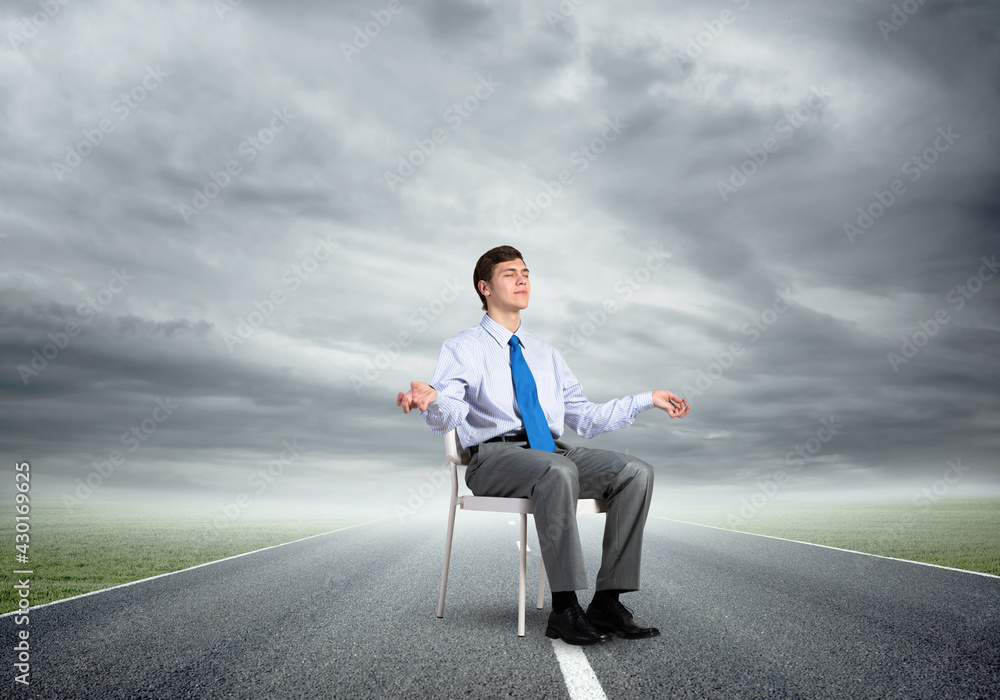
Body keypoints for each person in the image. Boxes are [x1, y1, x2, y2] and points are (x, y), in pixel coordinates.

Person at [397, 245, 690, 645]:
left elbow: (585, 418)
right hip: (495, 459)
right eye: (509, 274)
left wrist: (645, 399)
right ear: (484, 287)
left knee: (635, 472)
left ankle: (606, 602)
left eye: (526, 272)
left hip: (552, 453)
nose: (522, 279)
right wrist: (430, 400)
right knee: (558, 470)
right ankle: (564, 608)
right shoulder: (462, 347)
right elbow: (450, 409)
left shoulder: (545, 353)